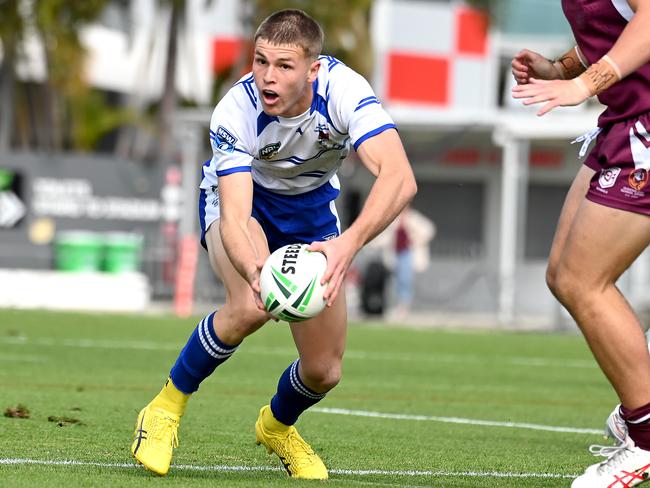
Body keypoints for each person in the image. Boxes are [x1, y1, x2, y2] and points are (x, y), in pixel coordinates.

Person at [130, 9, 416, 480]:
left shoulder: (346, 92)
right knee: (249, 305)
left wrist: (347, 246)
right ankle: (164, 407)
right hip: (246, 205)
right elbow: (237, 217)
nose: (267, 76)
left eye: (284, 65)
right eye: (260, 61)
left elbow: (400, 179)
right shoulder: (235, 111)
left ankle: (278, 427)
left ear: (313, 69)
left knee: (324, 370)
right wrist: (255, 272)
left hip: (312, 217)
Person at [511, 0, 650, 486]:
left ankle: (647, 440)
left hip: (645, 125)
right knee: (563, 276)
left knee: (582, 280)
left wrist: (581, 85)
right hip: (623, 121)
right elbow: (620, 27)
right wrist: (561, 67)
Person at [369, 205, 435, 317]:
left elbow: (428, 230)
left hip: (408, 254)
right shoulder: (394, 220)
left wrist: (414, 237)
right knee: (396, 281)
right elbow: (385, 236)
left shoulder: (414, 218)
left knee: (405, 279)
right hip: (396, 254)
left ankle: (404, 306)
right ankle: (398, 305)